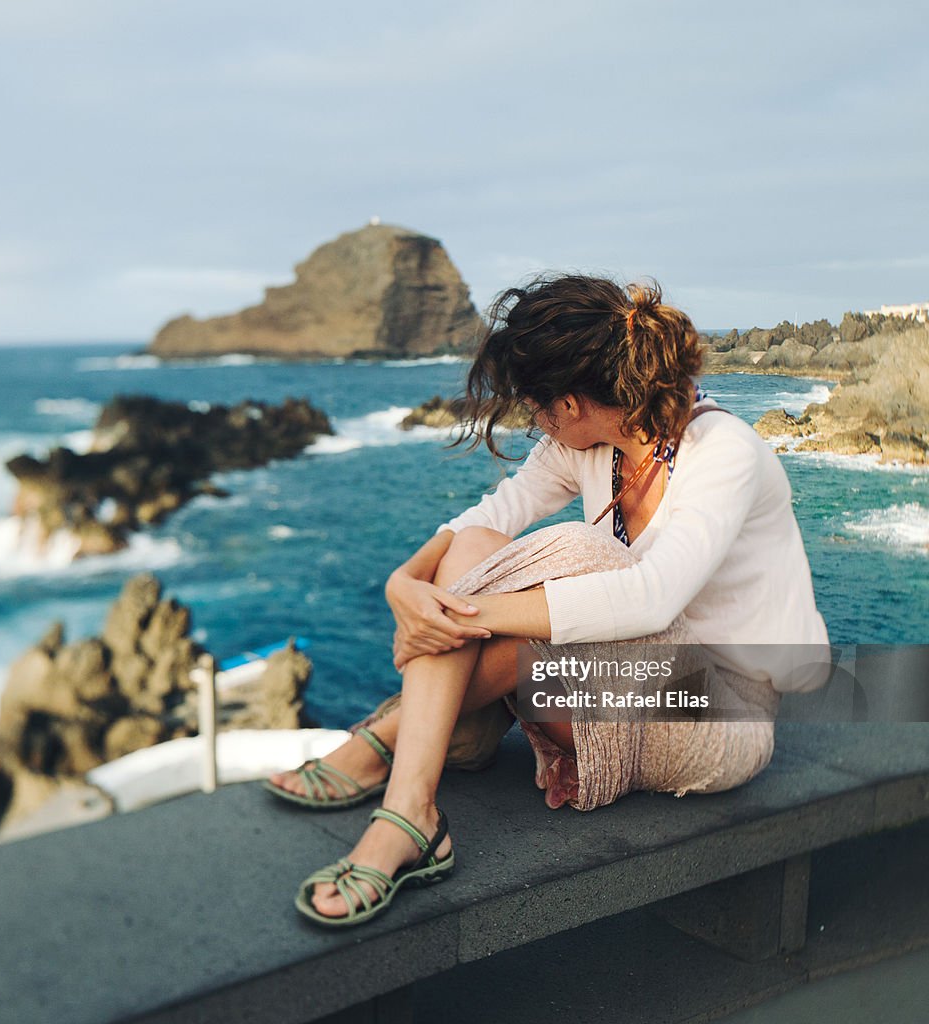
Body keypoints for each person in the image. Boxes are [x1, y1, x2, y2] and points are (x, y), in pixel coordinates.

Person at [264, 274, 830, 927]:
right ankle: (416, 802)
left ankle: (397, 744)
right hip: (614, 689)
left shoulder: (723, 452)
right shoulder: (591, 447)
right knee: (476, 545)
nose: (533, 422)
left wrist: (453, 616)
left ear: (568, 403)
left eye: (534, 406)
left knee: (577, 552)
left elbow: (650, 598)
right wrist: (405, 581)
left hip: (716, 717)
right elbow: (492, 516)